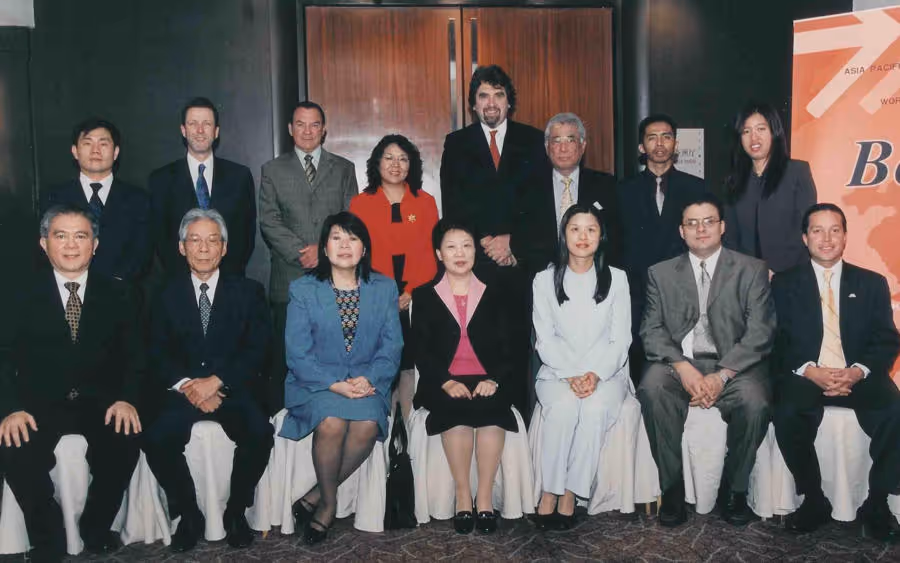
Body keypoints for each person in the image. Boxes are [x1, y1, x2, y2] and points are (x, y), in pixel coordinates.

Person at [0, 204, 145, 561]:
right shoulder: (17, 293)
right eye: (59, 235)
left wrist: (127, 398)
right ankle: (47, 538)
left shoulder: (121, 292)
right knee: (16, 449)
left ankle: (96, 529)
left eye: (80, 236)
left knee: (125, 440)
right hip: (38, 405)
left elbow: (138, 355)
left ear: (94, 245)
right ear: (43, 243)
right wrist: (10, 408)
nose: (70, 245)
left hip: (101, 402)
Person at [636, 194, 774, 528]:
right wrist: (682, 367)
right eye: (692, 223)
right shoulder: (661, 272)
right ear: (681, 231)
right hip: (679, 363)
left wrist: (722, 375)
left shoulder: (751, 269)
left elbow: (760, 332)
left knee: (755, 401)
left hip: (734, 366)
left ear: (722, 227)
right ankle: (671, 489)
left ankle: (735, 490)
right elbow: (651, 330)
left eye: (708, 221)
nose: (701, 230)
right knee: (652, 387)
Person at [142, 209, 273, 552]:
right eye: (195, 240)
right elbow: (155, 351)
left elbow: (258, 349)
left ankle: (235, 512)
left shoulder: (249, 292)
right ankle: (188, 513)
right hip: (182, 392)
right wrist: (190, 386)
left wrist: (217, 381)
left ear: (224, 248)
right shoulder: (162, 293)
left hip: (231, 390)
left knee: (259, 432)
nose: (204, 248)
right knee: (157, 437)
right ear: (181, 247)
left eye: (212, 240)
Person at [771, 203, 900, 541]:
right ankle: (813, 500)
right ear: (804, 237)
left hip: (859, 375)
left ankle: (877, 503)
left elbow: (887, 339)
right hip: (808, 374)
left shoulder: (871, 282)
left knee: (895, 411)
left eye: (834, 230)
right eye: (817, 230)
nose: (826, 239)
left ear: (845, 236)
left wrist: (857, 371)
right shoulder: (784, 284)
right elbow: (776, 340)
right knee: (786, 410)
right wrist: (808, 370)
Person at [280, 212, 401, 545]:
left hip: (367, 382)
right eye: (336, 238)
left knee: (365, 425)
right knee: (331, 421)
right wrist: (334, 384)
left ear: (364, 248)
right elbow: (297, 353)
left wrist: (371, 379)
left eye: (353, 238)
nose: (345, 245)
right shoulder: (304, 289)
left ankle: (315, 496)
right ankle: (329, 505)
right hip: (317, 383)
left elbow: (392, 346)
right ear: (324, 247)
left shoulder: (384, 287)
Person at [440, 64, 547, 421]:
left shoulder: (533, 141)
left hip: (519, 270)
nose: (491, 103)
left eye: (499, 95)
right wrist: (486, 243)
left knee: (516, 357)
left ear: (509, 103)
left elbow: (542, 208)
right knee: (477, 356)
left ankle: (515, 446)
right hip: (476, 270)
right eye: (483, 95)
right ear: (473, 104)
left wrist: (512, 244)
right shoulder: (456, 145)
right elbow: (453, 207)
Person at [412, 220, 516, 535]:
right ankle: (462, 496)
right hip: (443, 380)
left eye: (467, 246)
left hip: (486, 376)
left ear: (475, 251)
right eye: (451, 247)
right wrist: (445, 381)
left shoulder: (495, 290)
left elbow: (509, 344)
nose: (460, 253)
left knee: (492, 411)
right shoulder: (425, 295)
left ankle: (483, 498)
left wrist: (494, 379)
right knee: (453, 410)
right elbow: (422, 349)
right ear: (438, 254)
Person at [531, 204, 631, 529]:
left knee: (593, 410)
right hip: (557, 372)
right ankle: (549, 490)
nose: (583, 236)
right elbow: (544, 340)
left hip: (607, 374)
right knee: (561, 408)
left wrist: (595, 374)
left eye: (591, 229)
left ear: (601, 236)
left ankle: (572, 492)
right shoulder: (544, 280)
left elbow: (621, 340)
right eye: (575, 228)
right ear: (564, 235)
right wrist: (572, 374)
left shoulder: (617, 279)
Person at [259, 101, 358, 414]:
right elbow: (269, 220)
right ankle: (283, 428)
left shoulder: (343, 168)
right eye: (300, 124)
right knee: (287, 358)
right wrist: (301, 252)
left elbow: (350, 217)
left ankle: (330, 415)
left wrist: (323, 251)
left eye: (314, 124)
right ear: (290, 129)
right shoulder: (272, 170)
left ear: (324, 129)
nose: (307, 131)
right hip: (288, 277)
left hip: (334, 279)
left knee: (331, 355)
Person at [349, 134, 438, 423]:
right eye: (389, 157)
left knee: (410, 366)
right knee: (381, 364)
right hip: (375, 296)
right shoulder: (361, 204)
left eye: (403, 158)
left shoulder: (425, 203)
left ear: (411, 165)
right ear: (377, 163)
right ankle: (384, 438)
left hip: (417, 295)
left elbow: (430, 252)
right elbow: (357, 254)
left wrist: (412, 291)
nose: (396, 165)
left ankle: (410, 436)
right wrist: (385, 292)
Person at [617, 114, 707, 384]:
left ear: (675, 145)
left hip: (683, 293)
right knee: (643, 373)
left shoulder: (697, 188)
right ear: (641, 147)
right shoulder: (622, 191)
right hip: (636, 295)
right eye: (652, 137)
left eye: (666, 137)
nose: (659, 143)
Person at [149, 96, 257, 277]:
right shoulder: (161, 180)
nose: (200, 130)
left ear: (216, 131)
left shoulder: (239, 176)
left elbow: (246, 235)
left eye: (207, 124)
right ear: (183, 130)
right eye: (193, 124)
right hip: (179, 282)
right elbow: (160, 238)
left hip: (229, 281)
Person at [40, 118, 152, 284]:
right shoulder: (53, 197)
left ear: (115, 152)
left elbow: (143, 252)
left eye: (103, 144)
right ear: (75, 151)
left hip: (123, 294)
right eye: (87, 143)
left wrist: (113, 285)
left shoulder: (138, 198)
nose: (95, 150)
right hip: (69, 289)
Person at [514, 112, 623, 277]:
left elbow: (616, 238)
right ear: (547, 147)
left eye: (570, 140)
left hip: (594, 277)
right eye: (556, 141)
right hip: (541, 279)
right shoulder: (526, 187)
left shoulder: (606, 186)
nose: (563, 148)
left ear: (582, 146)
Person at [724, 101, 817, 277]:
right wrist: (750, 272)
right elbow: (730, 238)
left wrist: (777, 272)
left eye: (761, 129)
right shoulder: (733, 181)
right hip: (747, 279)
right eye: (746, 131)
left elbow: (808, 227)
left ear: (774, 132)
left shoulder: (797, 172)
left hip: (791, 276)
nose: (754, 138)